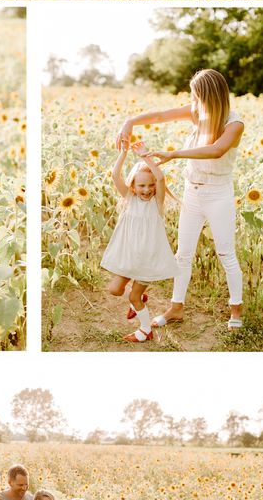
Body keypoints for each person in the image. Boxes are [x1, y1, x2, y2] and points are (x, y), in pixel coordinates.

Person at [116, 69, 245, 331]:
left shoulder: (234, 123)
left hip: (218, 194)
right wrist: (130, 121)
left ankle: (236, 310)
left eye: (195, 95)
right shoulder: (197, 112)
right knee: (183, 254)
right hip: (192, 192)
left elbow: (216, 150)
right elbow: (161, 115)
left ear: (208, 95)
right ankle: (177, 307)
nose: (192, 101)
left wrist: (173, 154)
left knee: (225, 253)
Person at [101, 141, 177, 343]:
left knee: (132, 297)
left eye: (150, 185)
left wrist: (145, 156)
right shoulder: (129, 198)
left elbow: (160, 177)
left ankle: (145, 329)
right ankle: (140, 299)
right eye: (142, 185)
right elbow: (115, 175)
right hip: (129, 258)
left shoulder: (156, 204)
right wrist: (124, 153)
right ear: (133, 186)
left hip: (148, 261)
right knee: (114, 290)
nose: (147, 189)